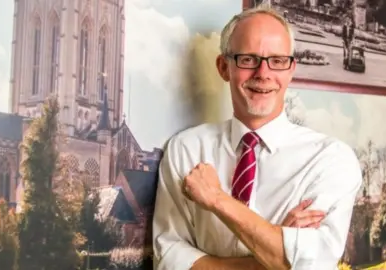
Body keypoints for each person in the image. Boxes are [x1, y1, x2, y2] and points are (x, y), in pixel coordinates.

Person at [152, 5, 362, 270]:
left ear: (290, 69)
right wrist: (273, 251)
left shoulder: (331, 160)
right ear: (223, 67)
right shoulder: (186, 149)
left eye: (277, 60)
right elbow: (169, 257)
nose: (263, 74)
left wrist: (217, 199)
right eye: (248, 59)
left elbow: (312, 264)